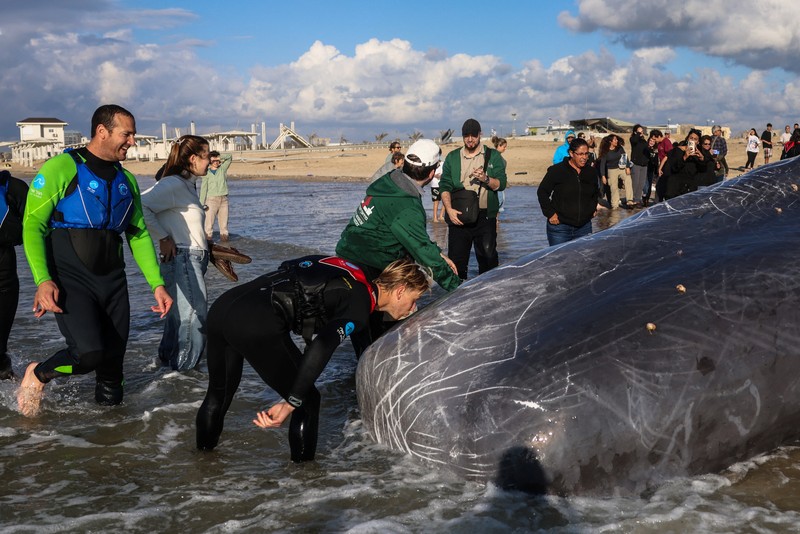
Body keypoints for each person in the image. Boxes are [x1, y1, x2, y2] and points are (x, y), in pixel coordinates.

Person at [195, 256, 433, 462]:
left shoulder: (351, 270)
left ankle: (203, 462)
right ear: (400, 290)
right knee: (306, 400)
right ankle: (303, 479)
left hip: (225, 306)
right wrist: (290, 402)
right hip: (254, 321)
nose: (413, 309)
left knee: (219, 393)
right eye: (414, 300)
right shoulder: (359, 308)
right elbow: (322, 344)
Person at [17, 104, 172, 417]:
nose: (132, 141)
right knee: (87, 356)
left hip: (113, 281)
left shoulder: (126, 180)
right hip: (71, 278)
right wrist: (43, 280)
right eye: (126, 134)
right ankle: (38, 374)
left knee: (113, 370)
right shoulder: (62, 167)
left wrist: (157, 284)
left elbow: (138, 234)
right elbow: (32, 225)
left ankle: (111, 443)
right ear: (103, 131)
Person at [336, 139, 460, 291]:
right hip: (367, 269)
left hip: (345, 256)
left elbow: (414, 236)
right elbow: (423, 253)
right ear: (432, 173)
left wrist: (438, 254)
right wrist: (458, 288)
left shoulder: (390, 181)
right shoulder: (406, 205)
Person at [142, 135, 211, 371]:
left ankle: (167, 367)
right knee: (194, 319)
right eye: (207, 156)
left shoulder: (185, 185)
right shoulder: (173, 184)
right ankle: (184, 375)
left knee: (179, 319)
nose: (211, 161)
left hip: (187, 257)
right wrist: (162, 237)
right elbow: (141, 205)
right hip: (184, 258)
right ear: (193, 158)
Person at [440, 119, 507, 280]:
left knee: (489, 261)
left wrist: (486, 178)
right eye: (466, 136)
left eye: (473, 135)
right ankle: (457, 298)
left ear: (480, 135)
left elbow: (502, 184)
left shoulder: (493, 155)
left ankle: (489, 294)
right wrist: (449, 210)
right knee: (456, 264)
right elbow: (444, 186)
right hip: (459, 217)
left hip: (485, 217)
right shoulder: (453, 157)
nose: (470, 139)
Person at [537, 137, 601, 246]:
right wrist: (550, 214)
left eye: (586, 154)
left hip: (584, 227)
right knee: (559, 261)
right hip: (560, 227)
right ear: (571, 153)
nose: (584, 157)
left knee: (584, 261)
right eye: (580, 154)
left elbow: (595, 191)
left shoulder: (591, 172)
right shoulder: (557, 170)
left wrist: (593, 208)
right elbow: (542, 192)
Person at [0, 170, 28, 379]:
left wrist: (47, 279)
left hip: (4, 278)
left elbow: (37, 231)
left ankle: (14, 391)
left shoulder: (13, 188)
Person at [662, 129, 710, 199]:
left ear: (698, 142)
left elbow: (703, 170)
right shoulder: (678, 150)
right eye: (691, 138)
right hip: (676, 186)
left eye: (695, 139)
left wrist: (702, 159)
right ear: (687, 139)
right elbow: (674, 168)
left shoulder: (698, 153)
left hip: (689, 187)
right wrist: (684, 157)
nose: (692, 141)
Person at [199, 150, 232, 242]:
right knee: (209, 226)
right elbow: (203, 189)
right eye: (213, 160)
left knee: (224, 226)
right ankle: (208, 245)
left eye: (217, 160)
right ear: (210, 161)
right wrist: (201, 204)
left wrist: (218, 157)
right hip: (211, 201)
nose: (216, 162)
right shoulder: (206, 173)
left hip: (224, 200)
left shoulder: (223, 169)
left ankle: (225, 245)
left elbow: (229, 157)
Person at [597, 134, 634, 209]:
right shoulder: (605, 150)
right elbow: (602, 164)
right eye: (615, 140)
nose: (617, 141)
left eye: (617, 139)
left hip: (621, 168)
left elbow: (625, 156)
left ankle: (629, 200)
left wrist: (627, 167)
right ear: (610, 141)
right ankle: (615, 205)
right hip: (611, 170)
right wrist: (603, 176)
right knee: (613, 187)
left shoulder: (619, 148)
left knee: (628, 179)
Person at [629, 124, 649, 208]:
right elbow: (634, 140)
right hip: (636, 164)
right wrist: (637, 134)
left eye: (642, 131)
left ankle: (637, 200)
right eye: (639, 131)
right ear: (635, 132)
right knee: (635, 183)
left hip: (644, 165)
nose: (641, 133)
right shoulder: (633, 139)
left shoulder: (644, 141)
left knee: (641, 183)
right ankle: (632, 200)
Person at [491, 135, 508, 213]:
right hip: (496, 183)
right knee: (498, 205)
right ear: (499, 146)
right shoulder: (495, 157)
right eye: (504, 147)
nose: (505, 148)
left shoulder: (497, 157)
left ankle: (496, 222)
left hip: (497, 183)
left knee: (497, 206)